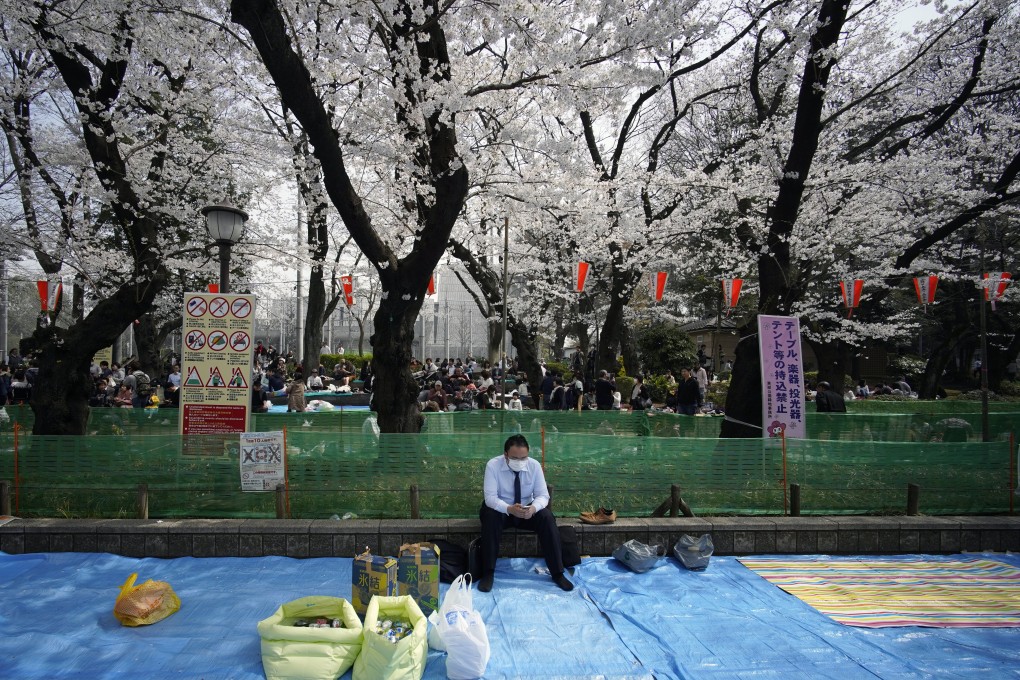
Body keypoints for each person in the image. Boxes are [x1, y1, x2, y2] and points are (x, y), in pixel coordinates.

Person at [479, 434, 573, 593]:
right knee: (491, 516)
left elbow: (543, 495)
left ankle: (557, 573)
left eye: (523, 458)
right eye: (515, 458)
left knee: (547, 517)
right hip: (502, 509)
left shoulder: (534, 466)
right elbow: (490, 498)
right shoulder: (493, 466)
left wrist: (533, 509)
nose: (520, 461)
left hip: (526, 510)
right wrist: (509, 508)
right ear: (505, 455)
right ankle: (488, 572)